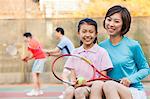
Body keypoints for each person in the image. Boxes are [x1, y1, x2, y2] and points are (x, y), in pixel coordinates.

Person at [99, 5, 150, 99]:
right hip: (110, 91)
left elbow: (145, 69)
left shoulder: (133, 45)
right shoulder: (101, 47)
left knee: (109, 85)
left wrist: (130, 79)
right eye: (109, 19)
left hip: (133, 91)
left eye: (116, 21)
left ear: (124, 24)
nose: (111, 24)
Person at [63, 18, 113, 99]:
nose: (87, 35)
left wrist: (86, 84)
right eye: (84, 31)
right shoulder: (75, 52)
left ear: (96, 34)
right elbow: (73, 76)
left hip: (93, 87)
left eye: (91, 32)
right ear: (78, 33)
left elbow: (103, 78)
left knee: (79, 92)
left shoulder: (102, 52)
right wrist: (74, 82)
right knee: (69, 91)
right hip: (77, 86)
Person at [45, 27, 75, 98]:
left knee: (64, 76)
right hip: (71, 60)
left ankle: (68, 93)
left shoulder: (64, 40)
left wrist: (44, 51)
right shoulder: (64, 40)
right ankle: (69, 92)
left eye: (55, 33)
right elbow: (60, 53)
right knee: (70, 78)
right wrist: (50, 54)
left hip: (71, 60)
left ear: (59, 32)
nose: (55, 35)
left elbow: (55, 50)